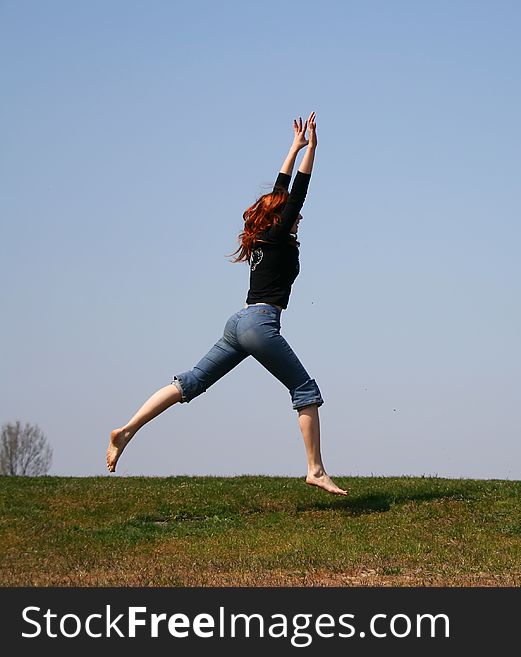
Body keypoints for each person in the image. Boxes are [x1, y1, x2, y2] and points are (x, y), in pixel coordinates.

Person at [106, 112, 347, 496]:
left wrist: (294, 146)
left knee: (191, 382)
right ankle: (315, 469)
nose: (297, 217)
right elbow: (298, 190)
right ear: (281, 217)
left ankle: (128, 428)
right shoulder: (280, 234)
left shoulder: (263, 236)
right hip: (260, 324)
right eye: (292, 214)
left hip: (238, 324)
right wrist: (312, 151)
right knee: (305, 390)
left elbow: (283, 190)